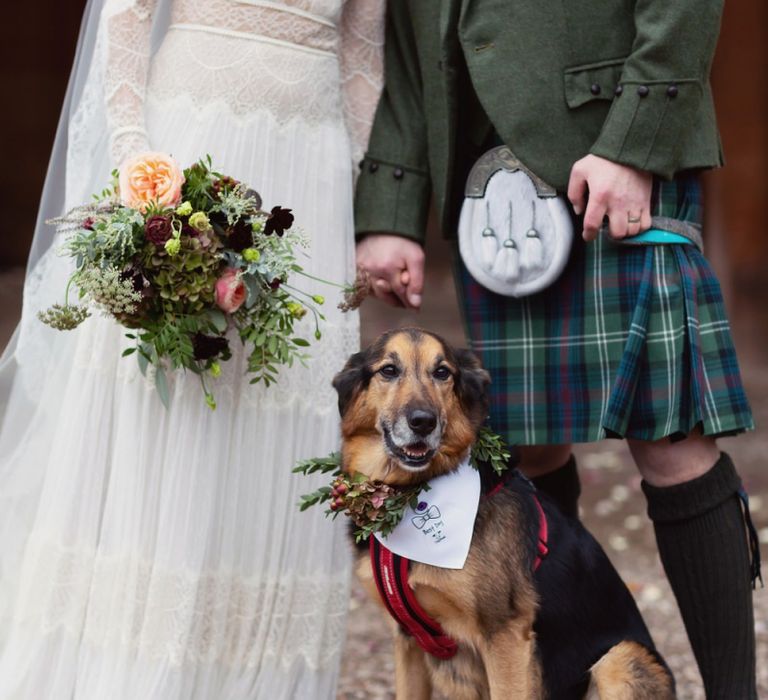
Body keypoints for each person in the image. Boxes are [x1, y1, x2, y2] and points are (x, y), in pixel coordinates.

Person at [353, 2, 759, 697]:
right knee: (528, 451)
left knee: (671, 439)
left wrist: (636, 141)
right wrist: (393, 208)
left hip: (609, 151)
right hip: (495, 197)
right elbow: (411, 47)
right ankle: (560, 680)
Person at [0, 0, 382, 697]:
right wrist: (133, 159)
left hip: (310, 169)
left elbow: (362, 53)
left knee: (279, 395)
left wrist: (343, 180)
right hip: (191, 143)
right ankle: (132, 668)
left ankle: (249, 673)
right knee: (167, 396)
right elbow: (127, 14)